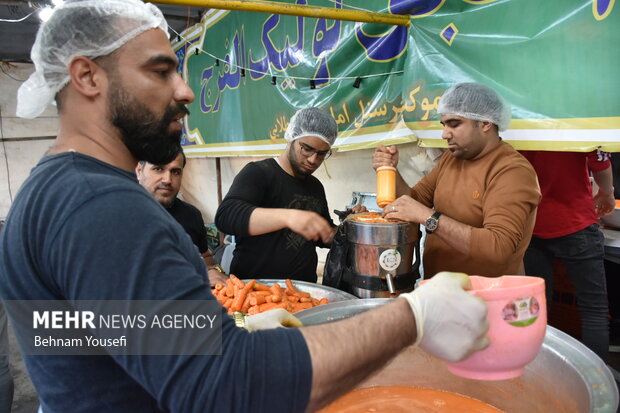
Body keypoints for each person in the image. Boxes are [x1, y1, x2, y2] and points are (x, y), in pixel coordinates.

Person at [0, 1, 489, 412]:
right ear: (87, 76)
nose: (185, 90)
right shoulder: (101, 206)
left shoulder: (52, 189)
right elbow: (227, 385)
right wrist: (414, 316)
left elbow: (84, 342)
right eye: (160, 70)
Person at [373, 82, 541, 278]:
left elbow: (498, 248)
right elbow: (414, 200)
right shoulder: (451, 159)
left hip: (487, 299)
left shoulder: (511, 171)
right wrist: (390, 170)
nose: (445, 134)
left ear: (486, 123)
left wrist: (430, 219)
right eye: (444, 125)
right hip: (442, 291)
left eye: (454, 124)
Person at [215, 107, 340, 282]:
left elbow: (322, 234)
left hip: (303, 293)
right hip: (257, 293)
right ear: (291, 138)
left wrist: (351, 227)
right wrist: (288, 217)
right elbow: (226, 216)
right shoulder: (259, 173)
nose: (313, 159)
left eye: (321, 154)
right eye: (306, 149)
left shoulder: (315, 186)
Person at [520, 149, 615, 362]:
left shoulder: (519, 119)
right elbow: (600, 162)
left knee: (536, 308)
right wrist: (607, 192)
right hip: (576, 221)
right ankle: (596, 383)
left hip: (530, 223)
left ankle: (541, 375)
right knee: (594, 310)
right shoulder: (578, 119)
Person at [136, 148, 228, 286]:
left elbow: (205, 257)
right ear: (139, 171)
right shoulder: (115, 214)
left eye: (175, 172)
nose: (167, 179)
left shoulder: (191, 215)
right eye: (158, 169)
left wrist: (213, 270)